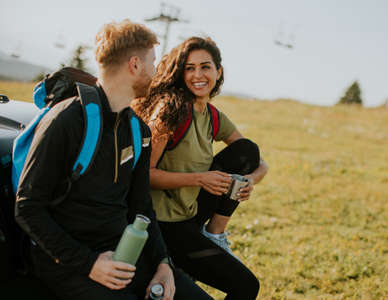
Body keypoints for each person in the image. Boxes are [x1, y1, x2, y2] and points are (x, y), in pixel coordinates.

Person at [15, 20, 211, 300]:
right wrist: (90, 264)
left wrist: (163, 263)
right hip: (68, 263)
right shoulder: (67, 120)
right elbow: (27, 206)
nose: (156, 72)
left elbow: (142, 206)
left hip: (124, 253)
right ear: (134, 65)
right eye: (152, 63)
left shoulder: (139, 131)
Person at [132, 36, 269, 300]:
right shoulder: (169, 110)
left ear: (218, 71)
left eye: (205, 67)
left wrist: (251, 179)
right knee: (246, 286)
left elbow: (258, 160)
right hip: (163, 224)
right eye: (189, 67)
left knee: (247, 150)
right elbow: (144, 175)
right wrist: (199, 179)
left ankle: (215, 233)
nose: (198, 75)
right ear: (179, 72)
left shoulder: (212, 114)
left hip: (191, 213)